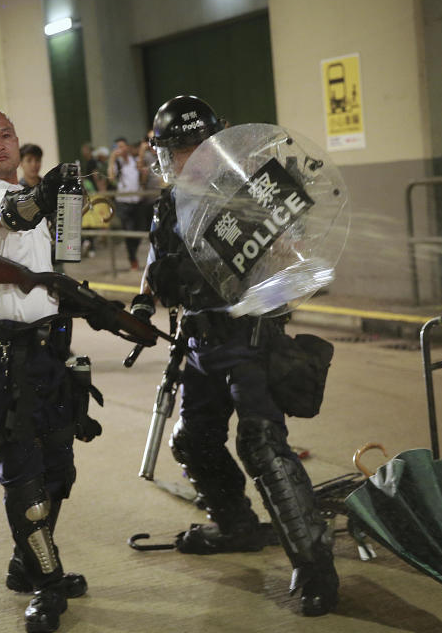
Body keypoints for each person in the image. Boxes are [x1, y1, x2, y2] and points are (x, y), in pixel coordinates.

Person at [129, 95, 340, 617]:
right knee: (194, 441)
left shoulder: (251, 192)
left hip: (247, 341)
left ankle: (316, 567)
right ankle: (236, 526)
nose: (182, 159)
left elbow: (294, 257)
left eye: (191, 147)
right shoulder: (168, 205)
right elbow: (159, 265)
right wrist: (139, 302)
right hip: (198, 345)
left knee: (262, 444)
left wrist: (272, 274)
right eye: (174, 151)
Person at [0, 107, 97, 633]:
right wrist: (48, 190)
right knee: (26, 479)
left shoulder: (28, 198)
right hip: (0, 362)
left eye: (5, 135)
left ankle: (26, 563)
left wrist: (70, 206)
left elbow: (64, 256)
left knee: (59, 468)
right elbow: (16, 213)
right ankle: (46, 584)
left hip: (45, 355)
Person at [108, 137, 149, 270]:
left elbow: (142, 178)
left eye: (122, 146)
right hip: (123, 202)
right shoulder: (117, 163)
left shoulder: (134, 161)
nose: (120, 149)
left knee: (139, 229)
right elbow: (111, 178)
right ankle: (132, 258)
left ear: (127, 147)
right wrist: (112, 158)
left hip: (137, 201)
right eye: (118, 147)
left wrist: (144, 173)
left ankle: (133, 254)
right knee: (128, 230)